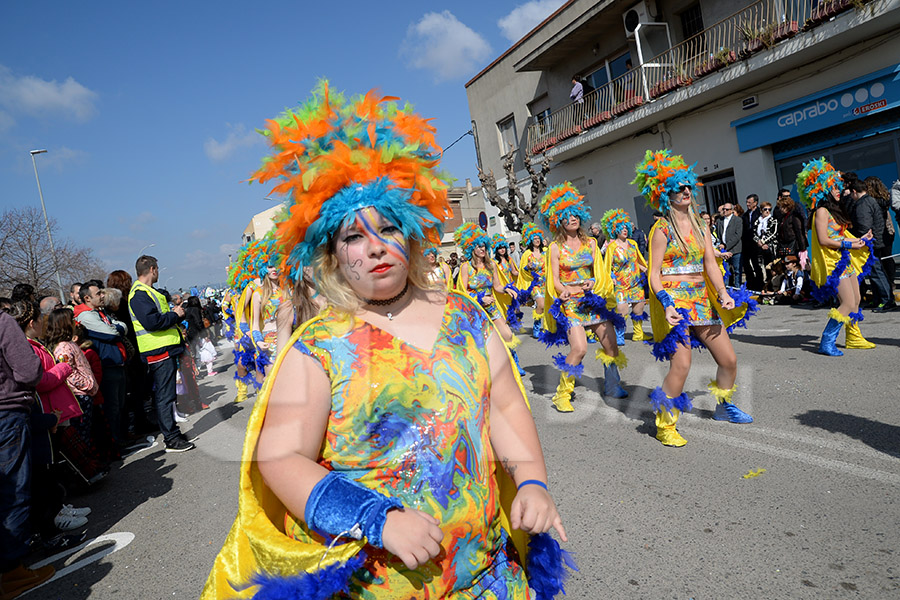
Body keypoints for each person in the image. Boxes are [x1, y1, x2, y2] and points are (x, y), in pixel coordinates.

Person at [202, 82, 571, 600]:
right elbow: (281, 458)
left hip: (489, 576)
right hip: (380, 585)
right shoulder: (318, 347)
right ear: (331, 256)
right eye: (354, 236)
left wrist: (532, 481)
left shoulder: (467, 317)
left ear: (413, 235)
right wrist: (378, 519)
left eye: (388, 227)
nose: (375, 248)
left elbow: (506, 411)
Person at [634, 150, 756, 447]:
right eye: (678, 188)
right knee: (682, 364)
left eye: (688, 186)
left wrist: (725, 294)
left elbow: (711, 264)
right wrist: (666, 303)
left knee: (728, 359)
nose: (686, 191)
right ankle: (665, 424)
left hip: (701, 299)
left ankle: (723, 406)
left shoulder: (702, 226)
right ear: (666, 194)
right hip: (674, 301)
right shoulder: (661, 229)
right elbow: (653, 273)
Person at [539, 182, 627, 413]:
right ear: (559, 220)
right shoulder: (555, 248)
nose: (572, 219)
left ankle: (612, 385)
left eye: (575, 215)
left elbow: (599, 272)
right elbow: (554, 279)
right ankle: (562, 394)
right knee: (579, 349)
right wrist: (562, 291)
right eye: (566, 217)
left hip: (591, 300)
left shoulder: (590, 243)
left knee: (611, 344)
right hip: (571, 303)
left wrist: (594, 283)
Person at [0, 305, 55, 598]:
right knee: (14, 494)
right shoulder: (3, 323)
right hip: (7, 416)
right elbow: (29, 370)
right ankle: (12, 572)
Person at [799, 159, 877, 355]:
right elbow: (824, 240)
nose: (838, 190)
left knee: (857, 299)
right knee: (848, 303)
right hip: (833, 264)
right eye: (833, 187)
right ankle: (826, 340)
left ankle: (853, 337)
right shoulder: (822, 211)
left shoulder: (834, 211)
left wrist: (860, 240)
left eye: (838, 186)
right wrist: (848, 243)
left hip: (844, 261)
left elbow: (840, 236)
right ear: (822, 189)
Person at [128, 255, 194, 452]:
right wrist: (176, 315)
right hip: (157, 349)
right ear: (152, 269)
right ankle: (171, 439)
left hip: (163, 348)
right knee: (165, 396)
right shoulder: (139, 294)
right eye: (158, 269)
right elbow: (152, 322)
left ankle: (171, 432)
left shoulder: (147, 291)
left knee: (167, 394)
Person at [74, 281, 128, 448]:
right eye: (98, 294)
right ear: (87, 298)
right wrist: (114, 328)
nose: (102, 296)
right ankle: (115, 444)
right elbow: (112, 333)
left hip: (117, 364)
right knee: (112, 408)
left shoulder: (100, 312)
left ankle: (120, 439)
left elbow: (123, 327)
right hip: (106, 366)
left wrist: (114, 327)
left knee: (119, 405)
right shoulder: (85, 316)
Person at [601, 209, 649, 343]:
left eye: (626, 228)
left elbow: (638, 262)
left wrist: (647, 271)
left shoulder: (633, 244)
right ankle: (619, 335)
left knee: (639, 308)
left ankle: (638, 334)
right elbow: (607, 266)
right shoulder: (612, 247)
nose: (624, 230)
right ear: (615, 230)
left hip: (635, 283)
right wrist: (611, 278)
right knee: (622, 311)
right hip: (621, 284)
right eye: (621, 228)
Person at [848, 180, 895, 312]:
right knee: (874, 271)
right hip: (876, 240)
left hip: (869, 243)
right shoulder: (870, 200)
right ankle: (879, 299)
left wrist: (860, 240)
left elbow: (864, 226)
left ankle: (886, 300)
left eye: (851, 194)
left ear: (854, 192)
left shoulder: (863, 204)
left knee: (876, 272)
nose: (851, 197)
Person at [865, 176, 896, 300]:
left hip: (881, 233)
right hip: (888, 231)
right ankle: (891, 281)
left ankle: (888, 283)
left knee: (882, 260)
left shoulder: (873, 202)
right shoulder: (884, 199)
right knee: (887, 258)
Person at [516, 222, 547, 338]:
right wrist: (527, 267)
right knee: (541, 304)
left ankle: (549, 327)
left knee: (549, 305)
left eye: (538, 238)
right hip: (535, 284)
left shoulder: (546, 251)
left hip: (547, 283)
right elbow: (522, 271)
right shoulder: (527, 254)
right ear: (530, 240)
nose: (537, 240)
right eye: (534, 239)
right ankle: (537, 327)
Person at [715, 201, 743, 287]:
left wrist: (727, 245)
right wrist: (721, 245)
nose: (725, 211)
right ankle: (726, 287)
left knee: (737, 270)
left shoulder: (737, 220)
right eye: (723, 209)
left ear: (731, 210)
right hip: (723, 250)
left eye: (727, 209)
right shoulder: (720, 221)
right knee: (725, 270)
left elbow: (737, 235)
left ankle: (737, 287)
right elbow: (719, 234)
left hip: (735, 249)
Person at [753, 201, 778, 291]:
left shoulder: (773, 220)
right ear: (761, 210)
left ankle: (774, 286)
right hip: (760, 248)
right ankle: (766, 286)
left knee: (772, 267)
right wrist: (759, 242)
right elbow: (754, 233)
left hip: (770, 247)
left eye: (769, 209)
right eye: (765, 209)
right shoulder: (757, 221)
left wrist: (764, 241)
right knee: (763, 267)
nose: (767, 211)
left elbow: (774, 233)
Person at [742, 194, 763, 291]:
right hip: (747, 244)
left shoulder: (760, 213)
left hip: (757, 244)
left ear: (755, 203)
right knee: (747, 265)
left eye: (750, 202)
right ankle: (751, 283)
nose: (747, 204)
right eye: (747, 202)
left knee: (757, 265)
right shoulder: (745, 215)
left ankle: (760, 284)